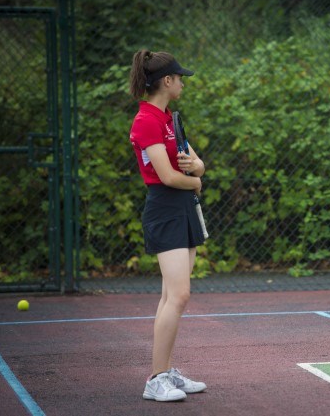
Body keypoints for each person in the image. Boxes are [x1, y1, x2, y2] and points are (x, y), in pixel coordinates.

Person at [129, 49, 208, 400]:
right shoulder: (146, 121)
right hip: (165, 209)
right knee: (179, 294)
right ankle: (155, 379)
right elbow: (167, 176)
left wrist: (197, 171)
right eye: (179, 77)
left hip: (182, 209)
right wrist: (194, 182)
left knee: (170, 296)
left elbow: (196, 163)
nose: (182, 82)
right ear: (167, 81)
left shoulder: (168, 119)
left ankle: (166, 371)